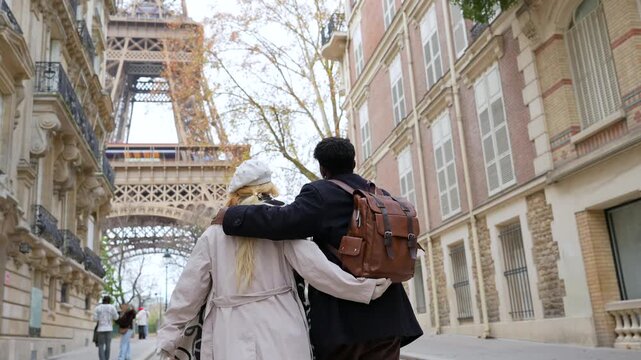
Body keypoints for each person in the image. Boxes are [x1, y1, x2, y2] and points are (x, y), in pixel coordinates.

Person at [157, 159, 392, 360]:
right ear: (268, 189)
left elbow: (187, 295)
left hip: (229, 332)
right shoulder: (282, 227)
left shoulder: (213, 236)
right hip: (282, 326)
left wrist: (167, 340)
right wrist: (365, 288)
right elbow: (319, 271)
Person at [216, 137, 423, 360]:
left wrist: (230, 215)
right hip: (390, 316)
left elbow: (283, 222)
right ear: (353, 162)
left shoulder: (320, 194)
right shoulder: (379, 195)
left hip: (345, 323)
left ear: (323, 168)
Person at [93, 295, 119, 360]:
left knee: (101, 346)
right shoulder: (112, 307)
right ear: (109, 301)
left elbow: (94, 319)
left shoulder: (98, 308)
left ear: (103, 300)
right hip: (109, 329)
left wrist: (100, 318)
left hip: (100, 329)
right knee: (108, 346)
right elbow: (116, 317)